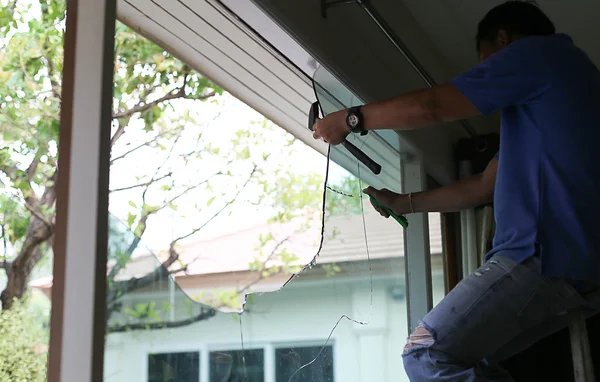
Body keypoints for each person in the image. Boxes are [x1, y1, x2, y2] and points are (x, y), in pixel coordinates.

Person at [312, 1, 600, 380]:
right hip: (576, 270)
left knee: (425, 353)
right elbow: (483, 186)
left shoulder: (541, 54)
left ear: (502, 39)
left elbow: (433, 106)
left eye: (485, 62)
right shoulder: (554, 103)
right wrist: (406, 203)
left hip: (539, 255)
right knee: (473, 363)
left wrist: (352, 119)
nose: (485, 74)